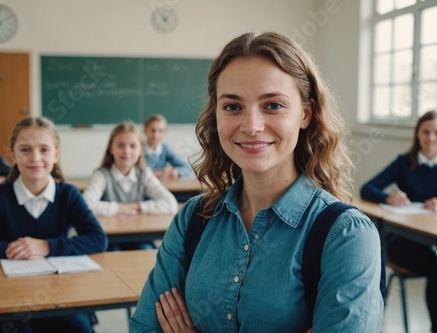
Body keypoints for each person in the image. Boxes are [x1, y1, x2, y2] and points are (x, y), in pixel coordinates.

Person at [130, 31, 384, 332]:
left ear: (305, 113)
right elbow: (145, 327)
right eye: (232, 107)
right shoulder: (193, 218)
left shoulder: (346, 236)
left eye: (273, 105)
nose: (251, 126)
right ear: (216, 115)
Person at [0, 116, 108, 333]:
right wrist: (13, 250)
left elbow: (98, 239)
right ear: (12, 155)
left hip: (58, 295)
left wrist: (46, 246)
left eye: (44, 150)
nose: (35, 158)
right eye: (25, 150)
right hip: (8, 296)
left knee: (79, 329)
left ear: (56, 154)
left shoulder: (68, 194)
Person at [361, 110, 437, 332]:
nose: (431, 138)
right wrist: (388, 198)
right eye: (426, 132)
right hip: (403, 242)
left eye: (436, 133)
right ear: (417, 134)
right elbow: (367, 188)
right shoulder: (405, 162)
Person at [82, 121, 177, 250]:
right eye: (120, 145)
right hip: (109, 238)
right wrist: (118, 208)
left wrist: (137, 206)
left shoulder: (144, 174)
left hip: (139, 237)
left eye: (133, 146)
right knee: (114, 253)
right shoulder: (101, 175)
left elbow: (170, 203)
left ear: (140, 151)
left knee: (146, 250)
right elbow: (86, 205)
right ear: (111, 149)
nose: (126, 151)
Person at [143, 114, 193, 180]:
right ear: (145, 130)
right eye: (153, 130)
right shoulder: (137, 148)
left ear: (164, 133)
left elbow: (187, 168)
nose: (156, 135)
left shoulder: (165, 149)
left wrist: (176, 171)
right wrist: (154, 173)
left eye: (160, 131)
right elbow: (132, 170)